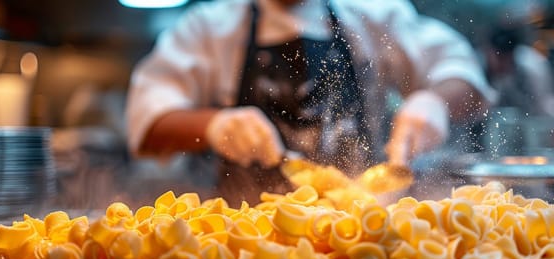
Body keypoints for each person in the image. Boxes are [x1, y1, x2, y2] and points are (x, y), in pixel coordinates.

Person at [124, 0, 496, 204]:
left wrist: (434, 102)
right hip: (247, 235)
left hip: (366, 226)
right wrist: (213, 126)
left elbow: (465, 77)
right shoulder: (210, 26)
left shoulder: (374, 13)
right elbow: (147, 120)